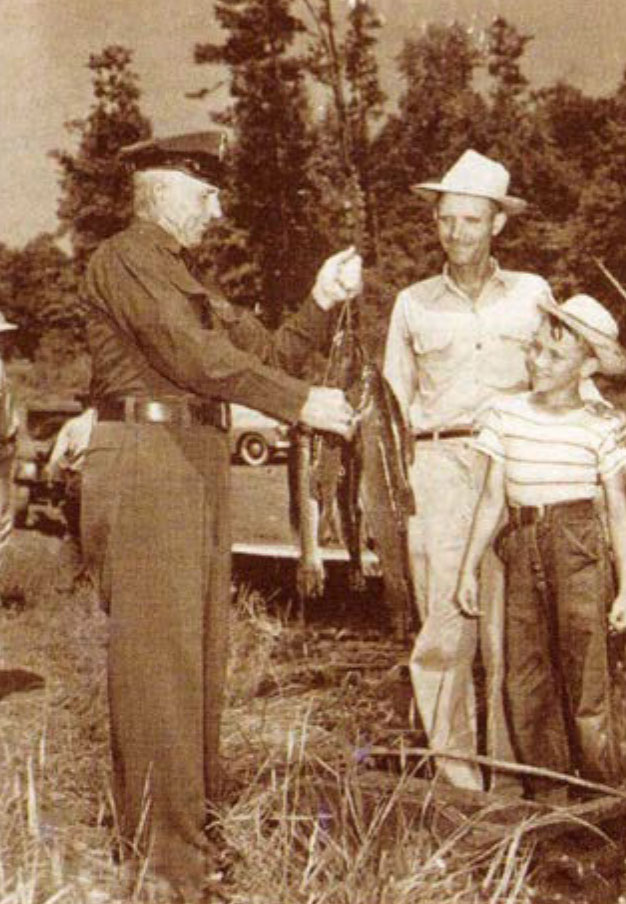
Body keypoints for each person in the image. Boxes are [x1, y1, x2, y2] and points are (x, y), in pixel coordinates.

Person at [80, 131, 362, 899]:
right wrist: (301, 404)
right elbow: (190, 354)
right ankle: (167, 868)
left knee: (197, 661)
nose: (217, 205)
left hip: (189, 463)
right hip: (146, 458)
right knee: (160, 668)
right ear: (163, 189)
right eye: (205, 192)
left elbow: (262, 349)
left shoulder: (178, 273)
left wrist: (321, 301)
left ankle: (188, 841)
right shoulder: (128, 257)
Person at [383, 149, 554, 791]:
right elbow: (391, 408)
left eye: (470, 221)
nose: (455, 233)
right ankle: (459, 783)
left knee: (515, 630)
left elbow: (561, 375)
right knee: (444, 632)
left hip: (517, 469)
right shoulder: (412, 304)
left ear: (498, 226)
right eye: (446, 220)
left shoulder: (534, 294)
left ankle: (513, 781)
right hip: (437, 467)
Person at [456, 294, 626, 800]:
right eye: (535, 350)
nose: (538, 362)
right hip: (521, 543)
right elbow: (491, 499)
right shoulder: (506, 414)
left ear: (588, 365)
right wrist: (469, 568)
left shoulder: (602, 423)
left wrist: (624, 588)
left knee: (586, 675)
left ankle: (605, 801)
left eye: (555, 355)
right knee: (526, 679)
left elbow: (617, 508)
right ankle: (549, 799)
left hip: (579, 548)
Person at [45, 402, 96, 541]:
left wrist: (52, 478)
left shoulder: (73, 424)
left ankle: (73, 537)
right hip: (104, 473)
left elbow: (57, 455)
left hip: (79, 474)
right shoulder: (110, 427)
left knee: (73, 508)